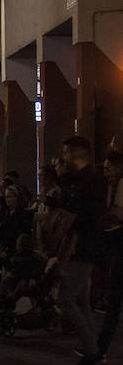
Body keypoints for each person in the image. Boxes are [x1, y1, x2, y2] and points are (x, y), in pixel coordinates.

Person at [44, 136, 106, 365]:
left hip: (83, 247)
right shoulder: (80, 179)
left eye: (66, 153)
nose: (63, 158)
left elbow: (88, 215)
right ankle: (95, 349)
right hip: (78, 246)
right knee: (80, 302)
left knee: (65, 299)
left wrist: (68, 220)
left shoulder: (91, 181)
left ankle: (92, 352)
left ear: (75, 154)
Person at [98, 150, 123, 356]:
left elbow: (117, 215)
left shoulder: (120, 186)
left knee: (114, 299)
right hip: (116, 248)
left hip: (119, 248)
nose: (106, 172)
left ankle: (100, 348)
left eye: (108, 168)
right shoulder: (112, 187)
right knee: (113, 301)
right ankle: (100, 347)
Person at [0, 185, 34, 259]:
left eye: (10, 197)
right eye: (6, 197)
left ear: (17, 198)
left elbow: (17, 233)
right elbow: (2, 231)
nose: (7, 200)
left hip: (15, 248)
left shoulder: (23, 215)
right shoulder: (7, 214)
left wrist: (3, 246)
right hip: (4, 246)